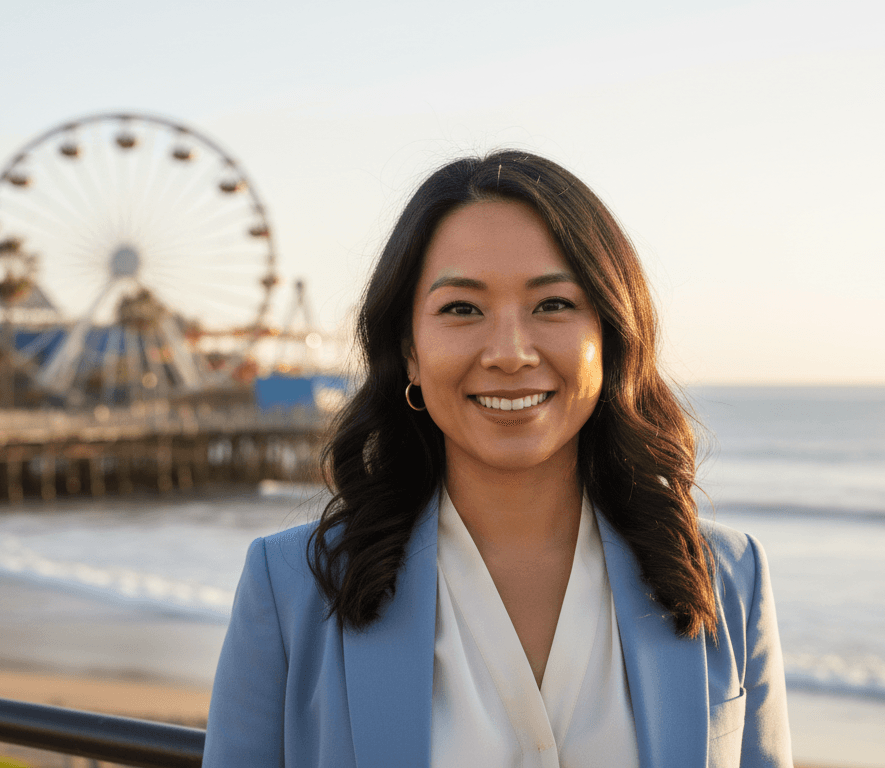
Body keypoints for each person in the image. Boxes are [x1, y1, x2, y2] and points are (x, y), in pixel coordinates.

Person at [205, 151, 793, 767]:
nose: (510, 353)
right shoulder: (292, 590)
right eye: (461, 308)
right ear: (408, 350)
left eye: (553, 305)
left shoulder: (727, 579)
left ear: (611, 337)